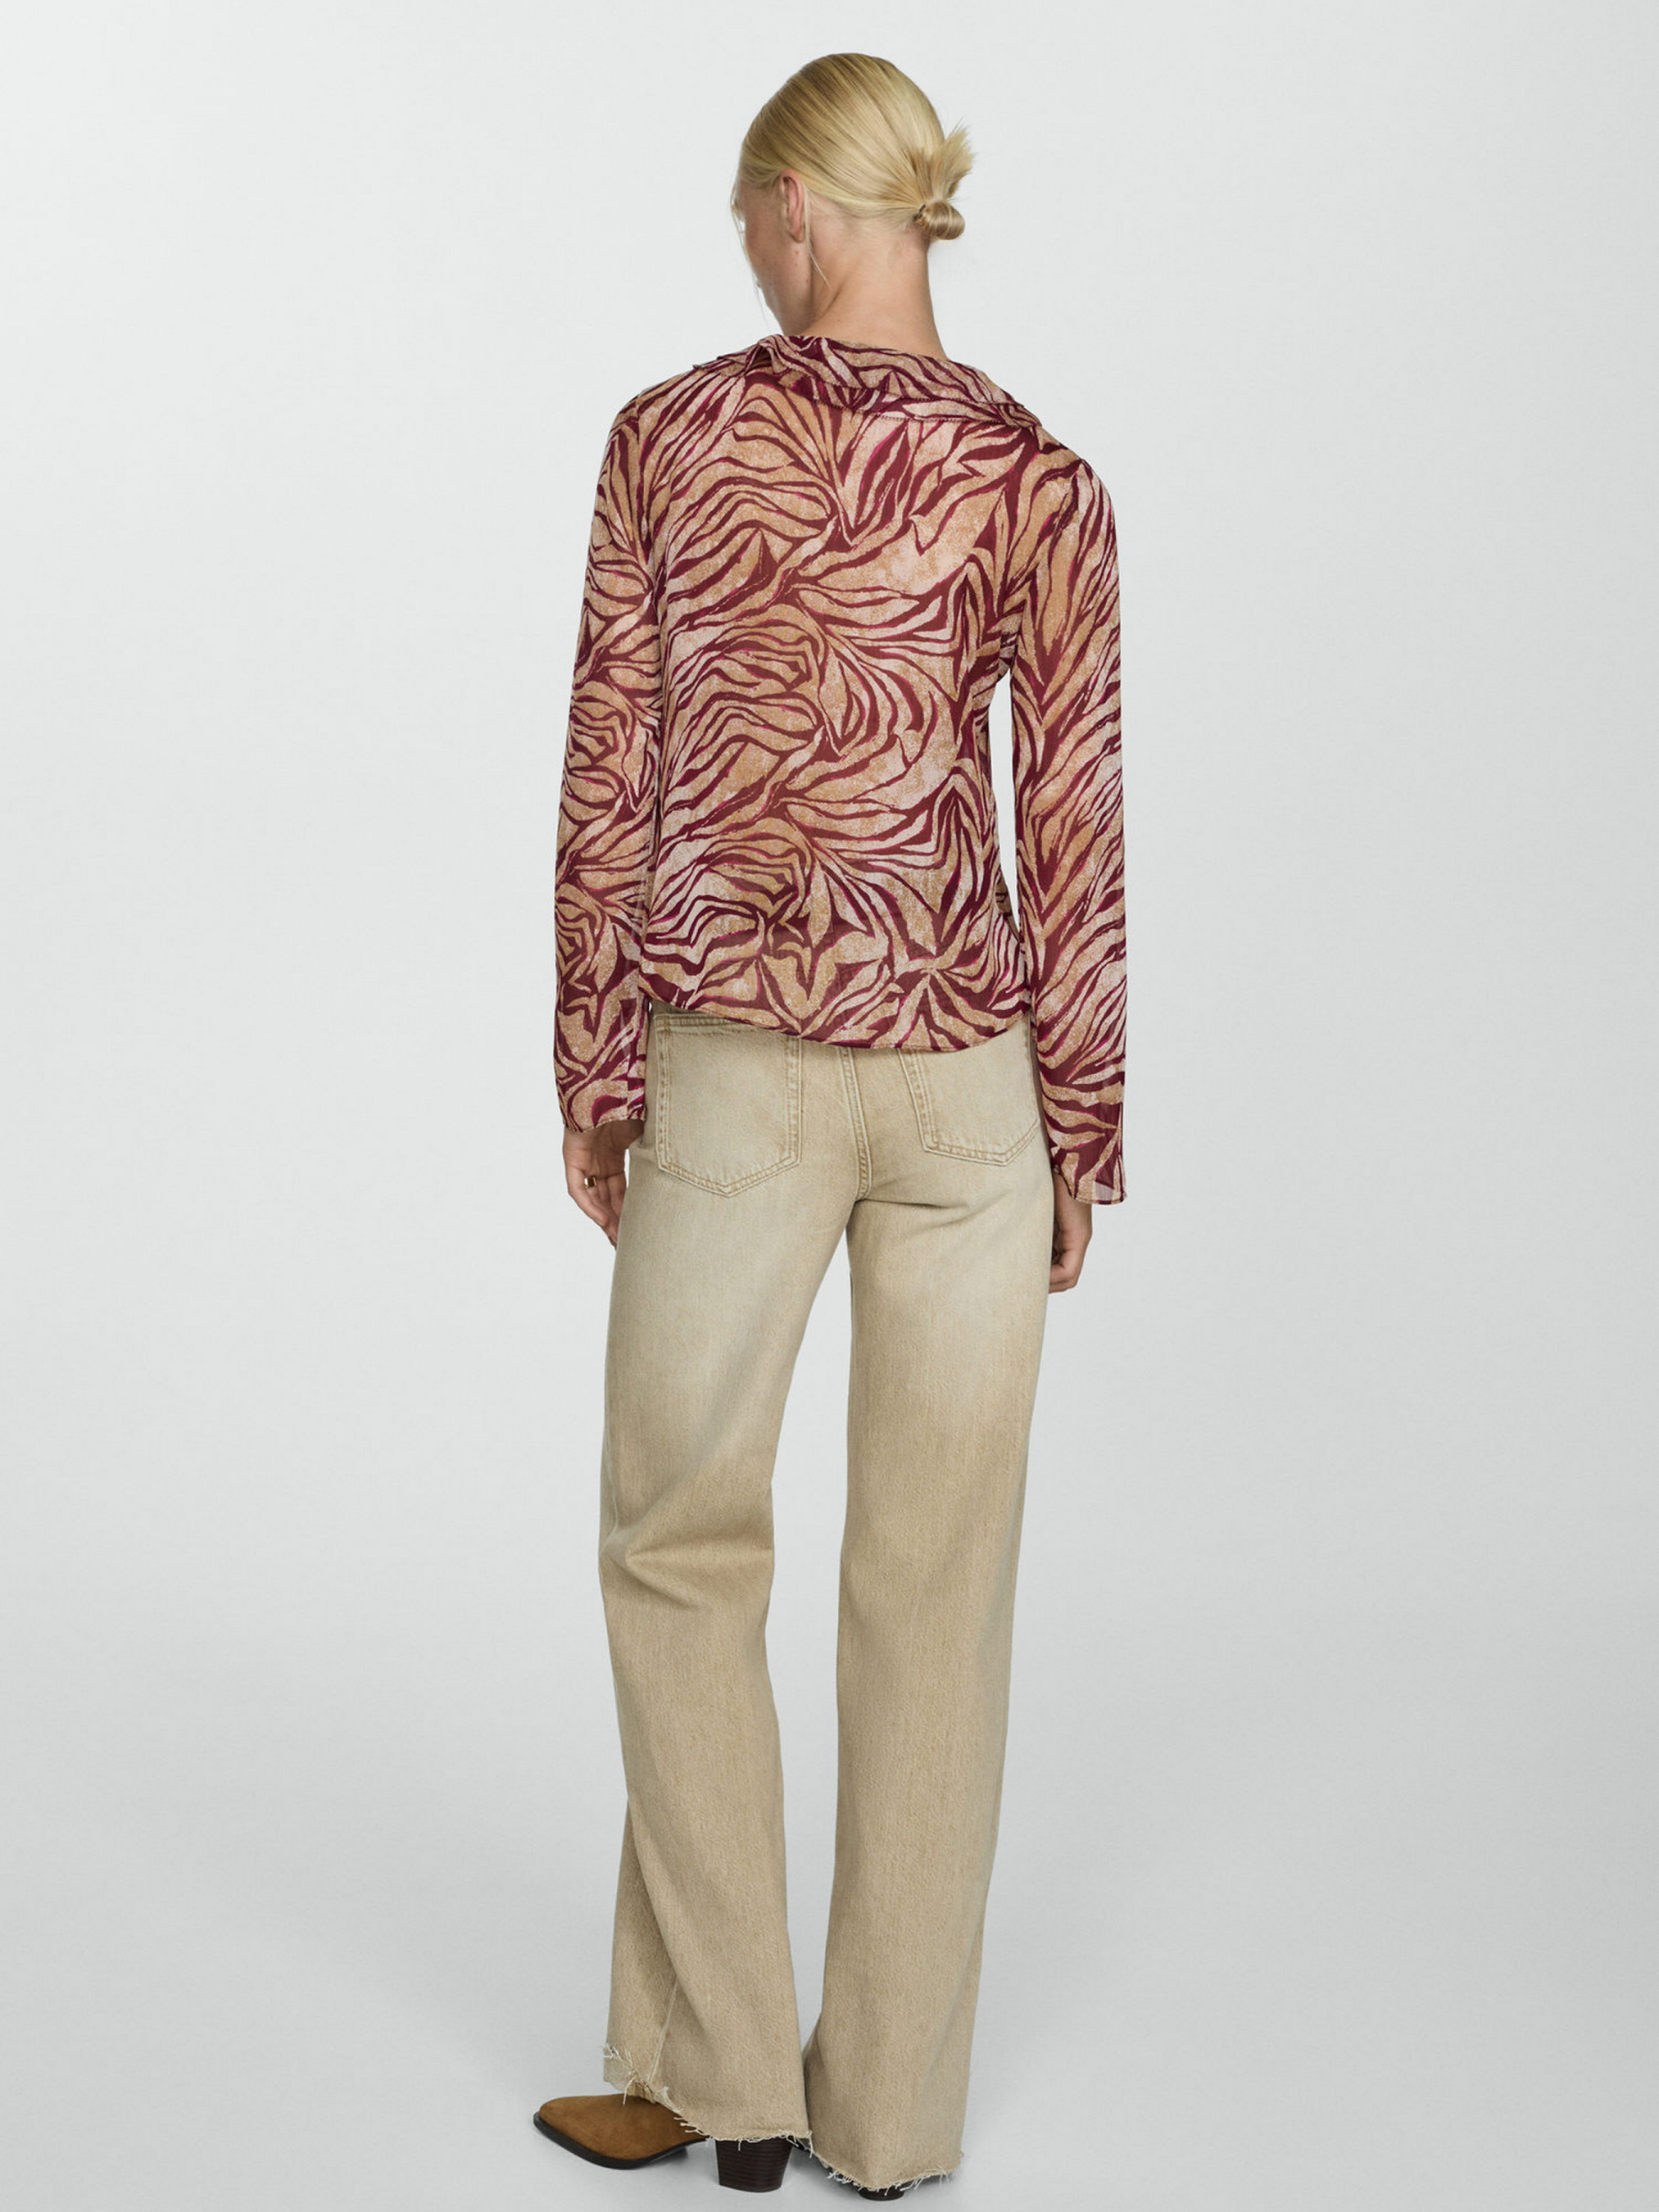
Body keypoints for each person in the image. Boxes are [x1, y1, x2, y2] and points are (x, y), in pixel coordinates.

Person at [534, 51, 1125, 2200]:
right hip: (973, 1089)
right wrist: (1082, 1121)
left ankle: (717, 2075)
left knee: (679, 1544)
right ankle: (884, 2116)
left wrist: (596, 1064)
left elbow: (609, 773)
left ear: (795, 203)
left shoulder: (670, 440)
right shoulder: (1040, 478)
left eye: (747, 217)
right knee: (936, 1588)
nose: (748, 254)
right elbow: (1074, 823)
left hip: (741, 1062)